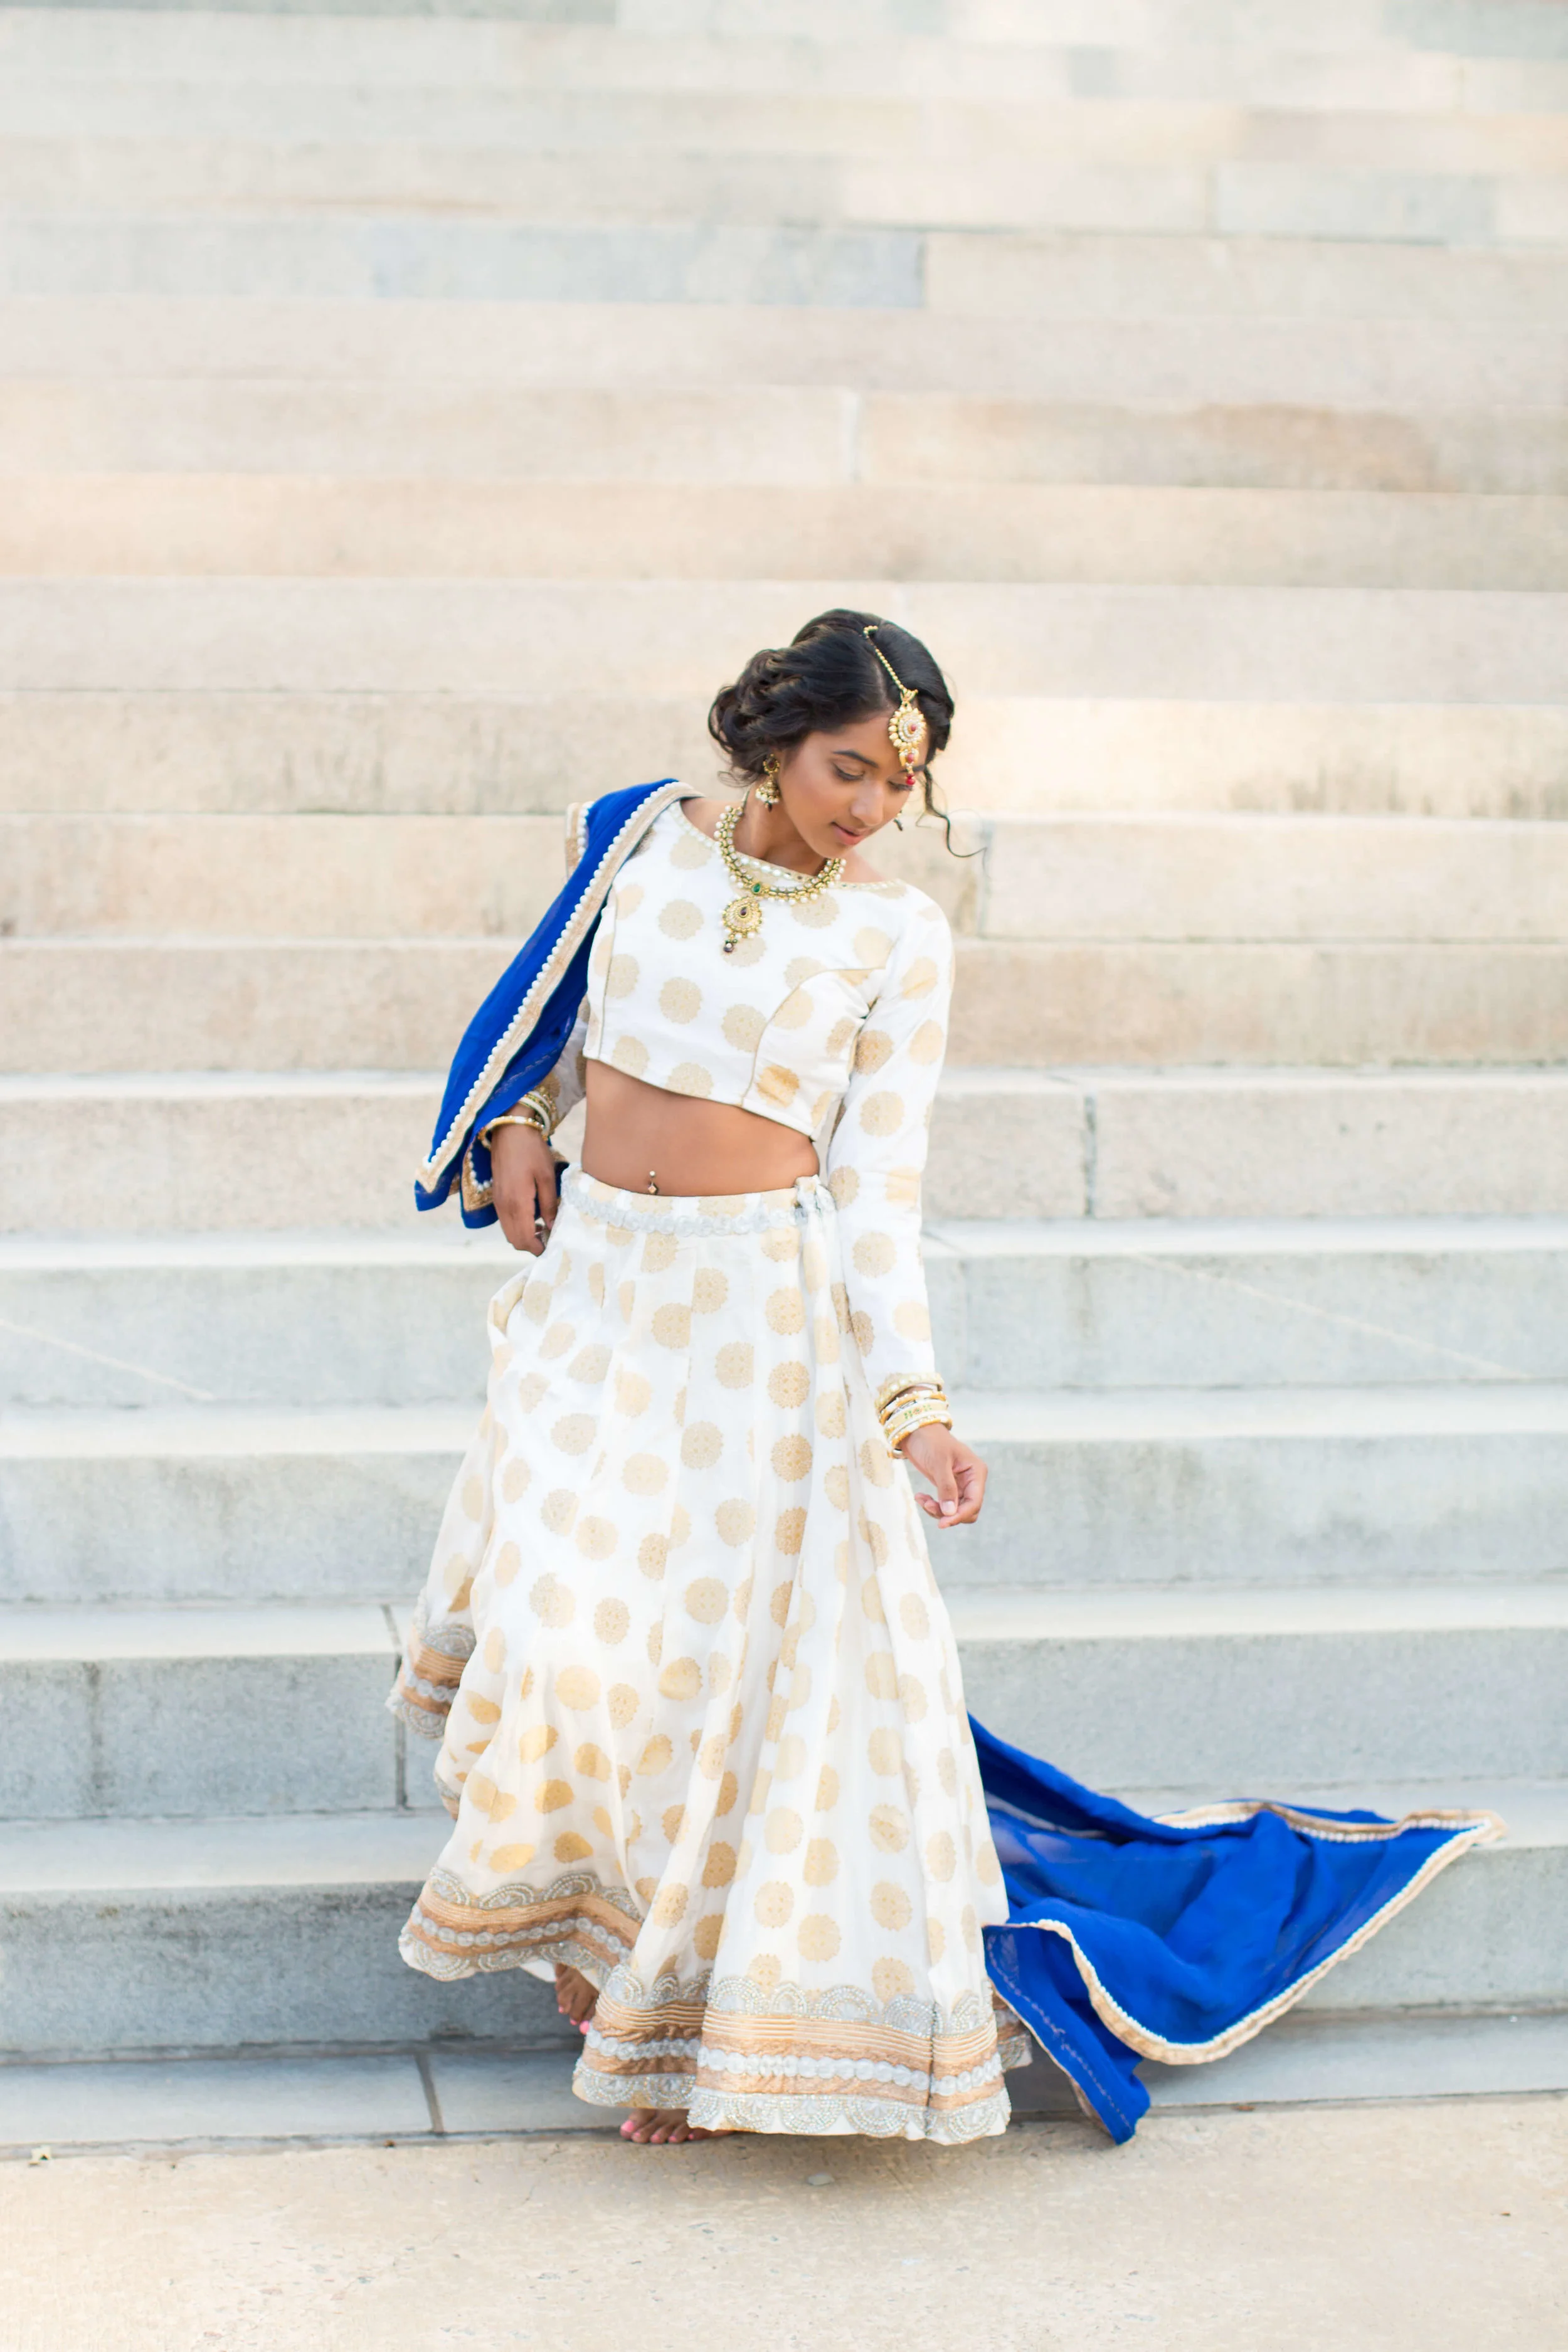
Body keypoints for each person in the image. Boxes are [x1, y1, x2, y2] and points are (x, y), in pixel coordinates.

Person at [391, 610, 1500, 2148]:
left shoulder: (894, 938)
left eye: (894, 788)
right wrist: (518, 1122)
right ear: (773, 735)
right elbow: (548, 1022)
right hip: (595, 1295)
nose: (867, 809)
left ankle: (681, 2019)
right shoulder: (635, 836)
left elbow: (875, 1187)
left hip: (753, 1319)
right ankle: (607, 1944)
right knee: (581, 1633)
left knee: (724, 1677)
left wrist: (911, 1402)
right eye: (847, 769)